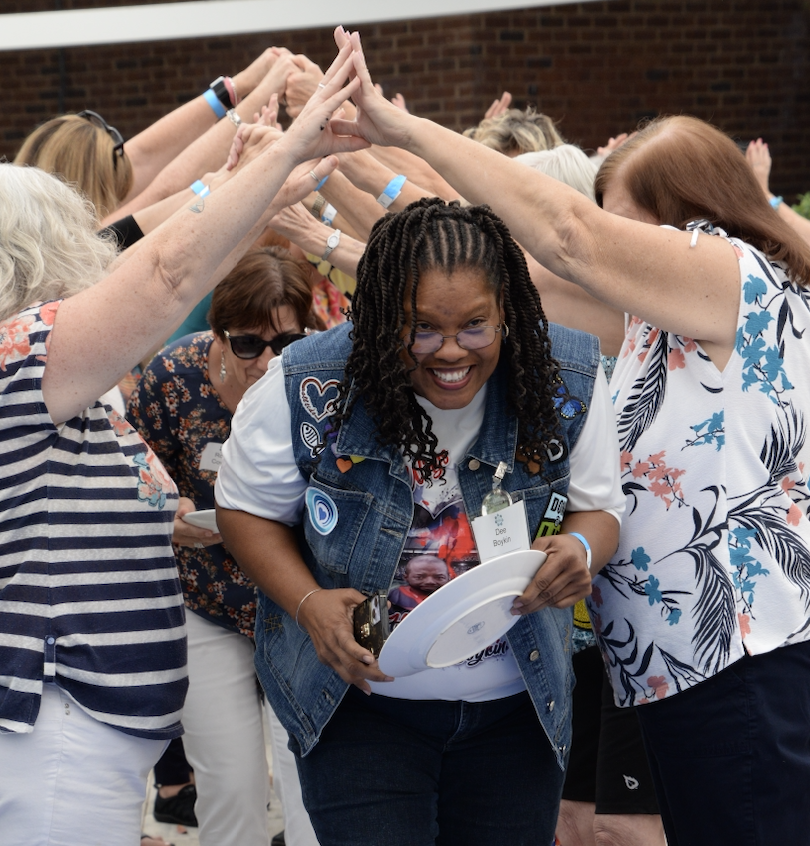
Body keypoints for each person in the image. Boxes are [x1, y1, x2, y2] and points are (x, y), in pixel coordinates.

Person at [0, 42, 366, 846]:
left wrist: (259, 179)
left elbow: (147, 255)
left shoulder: (12, 365)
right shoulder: (10, 358)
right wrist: (287, 143)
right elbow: (163, 277)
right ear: (40, 252)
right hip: (39, 730)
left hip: (61, 735)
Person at [333, 30, 810, 844]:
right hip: (678, 677)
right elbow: (507, 265)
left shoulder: (735, 281)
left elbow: (567, 239)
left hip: (744, 666)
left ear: (687, 218)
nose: (609, 247)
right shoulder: (658, 324)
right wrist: (332, 164)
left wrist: (402, 125)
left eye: (627, 226)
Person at [216, 194, 625, 846]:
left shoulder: (566, 377)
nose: (450, 353)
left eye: (475, 326)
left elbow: (598, 505)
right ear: (379, 320)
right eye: (422, 329)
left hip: (517, 713)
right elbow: (244, 511)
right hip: (361, 712)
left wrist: (579, 546)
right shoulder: (307, 384)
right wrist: (308, 602)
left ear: (507, 314)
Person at [127, 246, 322, 846]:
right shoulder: (172, 376)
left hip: (301, 601)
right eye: (247, 344)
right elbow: (131, 473)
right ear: (218, 335)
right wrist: (168, 515)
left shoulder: (324, 375)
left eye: (286, 344)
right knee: (231, 785)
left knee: (313, 783)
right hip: (205, 601)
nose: (267, 361)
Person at [514, 145, 664, 846]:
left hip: (656, 619)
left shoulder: (634, 313)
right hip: (579, 611)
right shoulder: (586, 324)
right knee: (569, 822)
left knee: (624, 829)